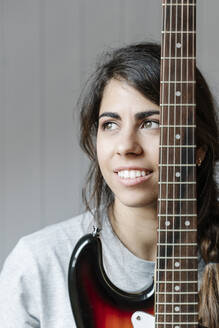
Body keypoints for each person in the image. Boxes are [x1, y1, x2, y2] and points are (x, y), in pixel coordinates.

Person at [0, 42, 218, 328]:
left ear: (198, 148)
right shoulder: (38, 263)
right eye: (110, 125)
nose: (126, 146)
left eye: (151, 123)